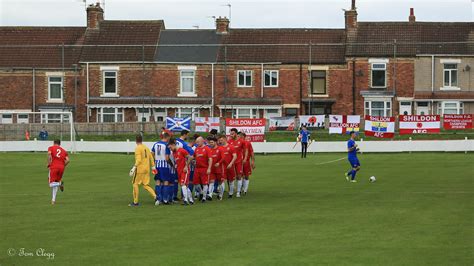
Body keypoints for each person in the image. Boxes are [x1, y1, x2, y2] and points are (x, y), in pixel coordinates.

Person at [129, 135, 158, 207]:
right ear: (142, 140)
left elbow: (138, 160)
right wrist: (153, 167)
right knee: (145, 185)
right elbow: (151, 157)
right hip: (146, 169)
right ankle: (156, 197)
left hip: (140, 169)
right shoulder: (146, 147)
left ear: (136, 140)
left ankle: (135, 202)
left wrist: (134, 167)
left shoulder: (137, 148)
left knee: (135, 184)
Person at [168, 138, 194, 205]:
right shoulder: (174, 153)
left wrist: (186, 166)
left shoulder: (181, 150)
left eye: (170, 147)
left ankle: (185, 200)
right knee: (185, 186)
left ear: (173, 145)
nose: (170, 149)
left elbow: (190, 157)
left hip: (184, 170)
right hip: (179, 171)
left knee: (183, 184)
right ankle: (191, 200)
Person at [151, 132, 173, 205]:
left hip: (157, 165)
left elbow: (152, 154)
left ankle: (158, 199)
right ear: (167, 137)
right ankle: (165, 199)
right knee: (166, 182)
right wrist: (171, 164)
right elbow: (167, 158)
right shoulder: (166, 145)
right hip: (164, 166)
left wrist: (155, 161)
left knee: (158, 181)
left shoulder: (156, 144)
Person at [47, 139, 69, 205]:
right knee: (55, 182)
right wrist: (63, 165)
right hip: (61, 168)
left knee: (51, 184)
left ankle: (60, 184)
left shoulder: (51, 148)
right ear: (60, 144)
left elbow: (49, 154)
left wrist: (49, 163)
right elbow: (68, 160)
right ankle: (53, 200)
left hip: (54, 167)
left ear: (54, 143)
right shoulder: (64, 151)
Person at [193, 137, 213, 203]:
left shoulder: (207, 148)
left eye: (198, 142)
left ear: (202, 141)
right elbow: (194, 157)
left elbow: (210, 159)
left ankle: (204, 198)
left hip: (204, 168)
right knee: (196, 183)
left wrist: (209, 168)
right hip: (197, 168)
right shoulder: (197, 148)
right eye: (196, 142)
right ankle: (201, 192)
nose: (197, 143)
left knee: (205, 183)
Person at [227, 128, 245, 198]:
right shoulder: (229, 141)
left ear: (236, 134)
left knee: (239, 176)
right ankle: (231, 191)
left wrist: (245, 158)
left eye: (233, 133)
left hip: (238, 161)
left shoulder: (241, 141)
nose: (231, 135)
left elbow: (245, 150)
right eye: (230, 133)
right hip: (231, 162)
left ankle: (238, 192)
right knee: (230, 177)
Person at [218, 134, 237, 199]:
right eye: (220, 140)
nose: (221, 141)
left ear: (225, 139)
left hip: (230, 166)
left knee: (231, 180)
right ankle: (220, 195)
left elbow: (235, 156)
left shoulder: (231, 147)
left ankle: (230, 193)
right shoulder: (219, 148)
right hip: (222, 167)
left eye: (222, 140)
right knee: (222, 180)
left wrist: (231, 163)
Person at [207, 136, 224, 200]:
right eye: (210, 142)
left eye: (212, 142)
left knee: (220, 182)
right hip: (212, 168)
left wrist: (219, 163)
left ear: (215, 142)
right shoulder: (209, 150)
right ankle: (210, 195)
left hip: (219, 168)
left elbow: (223, 158)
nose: (210, 143)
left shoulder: (220, 149)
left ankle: (220, 195)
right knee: (211, 181)